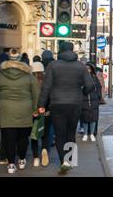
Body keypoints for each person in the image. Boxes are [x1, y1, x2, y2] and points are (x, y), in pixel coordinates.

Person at [38, 42, 94, 175]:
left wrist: (41, 105)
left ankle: (64, 161)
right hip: (75, 103)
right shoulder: (80, 66)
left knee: (60, 134)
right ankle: (70, 160)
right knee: (71, 132)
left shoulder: (53, 66)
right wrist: (83, 92)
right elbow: (90, 85)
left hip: (57, 103)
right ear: (72, 50)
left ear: (60, 50)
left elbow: (46, 87)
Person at [0, 49, 39, 174]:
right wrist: (35, 109)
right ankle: (21, 160)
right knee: (23, 138)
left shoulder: (0, 76)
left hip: (6, 110)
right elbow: (36, 94)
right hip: (25, 109)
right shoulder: (29, 77)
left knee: (8, 138)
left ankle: (10, 164)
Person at [30, 60, 51, 167]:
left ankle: (36, 158)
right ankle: (44, 149)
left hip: (34, 112)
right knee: (45, 135)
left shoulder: (30, 81)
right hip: (46, 112)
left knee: (34, 135)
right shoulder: (47, 81)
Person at [80, 63, 102, 142]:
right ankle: (85, 134)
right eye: (87, 69)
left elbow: (99, 87)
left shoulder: (94, 78)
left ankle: (92, 134)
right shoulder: (81, 78)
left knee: (93, 118)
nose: (88, 70)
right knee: (85, 118)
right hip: (84, 100)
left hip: (93, 100)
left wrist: (98, 96)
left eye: (89, 69)